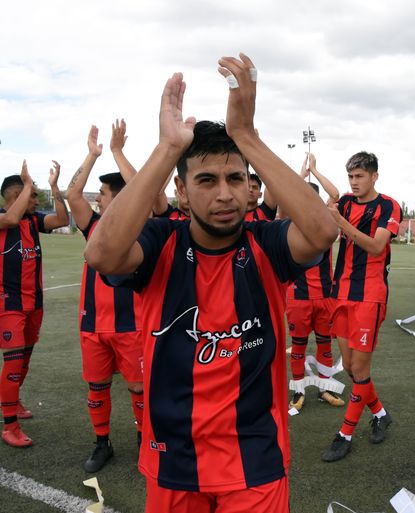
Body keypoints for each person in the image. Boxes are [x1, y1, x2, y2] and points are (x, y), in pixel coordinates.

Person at [84, 54, 338, 513]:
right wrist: (168, 149)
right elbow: (101, 254)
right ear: (181, 192)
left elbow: (322, 231)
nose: (225, 193)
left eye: (235, 178)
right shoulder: (160, 242)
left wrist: (246, 136)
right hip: (173, 459)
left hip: (255, 460)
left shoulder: (267, 244)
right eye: (206, 180)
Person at [66, 125, 144, 471]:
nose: (98, 198)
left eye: (103, 193)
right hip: (93, 325)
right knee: (96, 387)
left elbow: (142, 188)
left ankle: (145, 440)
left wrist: (117, 152)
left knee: (139, 389)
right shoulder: (93, 225)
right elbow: (72, 194)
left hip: (131, 325)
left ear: (119, 196)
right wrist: (92, 155)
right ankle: (102, 443)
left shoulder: (140, 223)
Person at [321, 151, 402, 462]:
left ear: (374, 176)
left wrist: (340, 222)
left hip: (369, 295)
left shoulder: (388, 206)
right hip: (341, 292)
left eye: (359, 176)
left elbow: (377, 246)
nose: (354, 182)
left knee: (359, 369)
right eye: (350, 176)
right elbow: (329, 205)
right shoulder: (344, 202)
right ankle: (380, 414)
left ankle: (345, 435)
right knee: (351, 369)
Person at [0, 160, 69, 447]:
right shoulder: (3, 218)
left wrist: (54, 188)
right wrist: (28, 183)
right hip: (9, 303)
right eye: (33, 196)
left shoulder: (33, 220)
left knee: (25, 359)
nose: (37, 201)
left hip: (34, 302)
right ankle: (9, 427)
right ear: (17, 196)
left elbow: (62, 219)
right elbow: (10, 220)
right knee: (14, 361)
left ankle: (13, 401)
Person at [288, 152, 344, 411]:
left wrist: (315, 170)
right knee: (298, 347)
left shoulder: (326, 218)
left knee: (325, 345)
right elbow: (284, 195)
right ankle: (298, 391)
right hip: (298, 295)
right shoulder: (289, 218)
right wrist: (299, 177)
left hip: (324, 295)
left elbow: (336, 195)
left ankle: (325, 388)